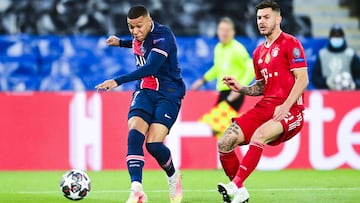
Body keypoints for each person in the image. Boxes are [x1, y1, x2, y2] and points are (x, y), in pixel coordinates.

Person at [216, 1, 309, 203]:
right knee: (224, 142)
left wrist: (286, 106)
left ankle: (235, 185)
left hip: (291, 109)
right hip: (266, 107)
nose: (261, 21)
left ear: (278, 19)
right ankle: (239, 193)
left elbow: (303, 79)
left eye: (266, 17)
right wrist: (241, 88)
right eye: (259, 18)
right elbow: (261, 87)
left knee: (259, 135)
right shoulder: (259, 52)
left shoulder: (291, 43)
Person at [95, 5, 185, 203]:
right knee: (134, 132)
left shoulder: (163, 35)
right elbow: (139, 43)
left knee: (153, 144)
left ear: (149, 20)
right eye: (130, 27)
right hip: (144, 91)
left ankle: (173, 175)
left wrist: (117, 80)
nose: (135, 31)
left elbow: (151, 66)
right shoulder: (139, 36)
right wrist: (121, 43)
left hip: (168, 93)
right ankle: (137, 190)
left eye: (139, 26)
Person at [191, 17, 254, 112]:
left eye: (227, 30)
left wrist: (240, 87)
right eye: (222, 30)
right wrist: (202, 80)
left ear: (233, 32)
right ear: (218, 31)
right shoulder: (218, 48)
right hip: (223, 91)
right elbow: (217, 68)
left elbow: (251, 68)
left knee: (217, 125)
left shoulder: (237, 49)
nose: (224, 33)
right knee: (224, 125)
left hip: (233, 92)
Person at [311, 24, 360, 90]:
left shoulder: (350, 54)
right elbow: (315, 78)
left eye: (339, 36)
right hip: (327, 93)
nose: (336, 38)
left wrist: (354, 85)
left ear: (343, 37)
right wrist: (326, 81)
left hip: (348, 93)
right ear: (330, 38)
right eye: (334, 36)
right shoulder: (322, 54)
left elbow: (358, 77)